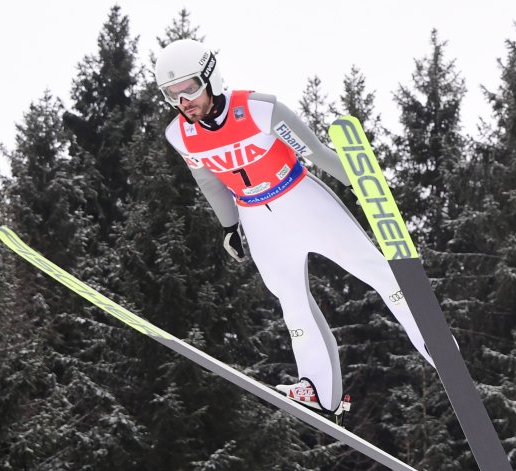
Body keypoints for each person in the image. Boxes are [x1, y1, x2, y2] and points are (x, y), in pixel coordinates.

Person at [155, 39, 435, 414]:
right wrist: (229, 227)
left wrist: (365, 185)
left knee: (376, 271)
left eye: (188, 88)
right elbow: (208, 181)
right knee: (291, 301)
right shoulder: (180, 134)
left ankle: (435, 345)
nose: (182, 100)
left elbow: (315, 152)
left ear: (210, 77)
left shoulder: (258, 109)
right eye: (171, 94)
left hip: (300, 197)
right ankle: (321, 390)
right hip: (256, 217)